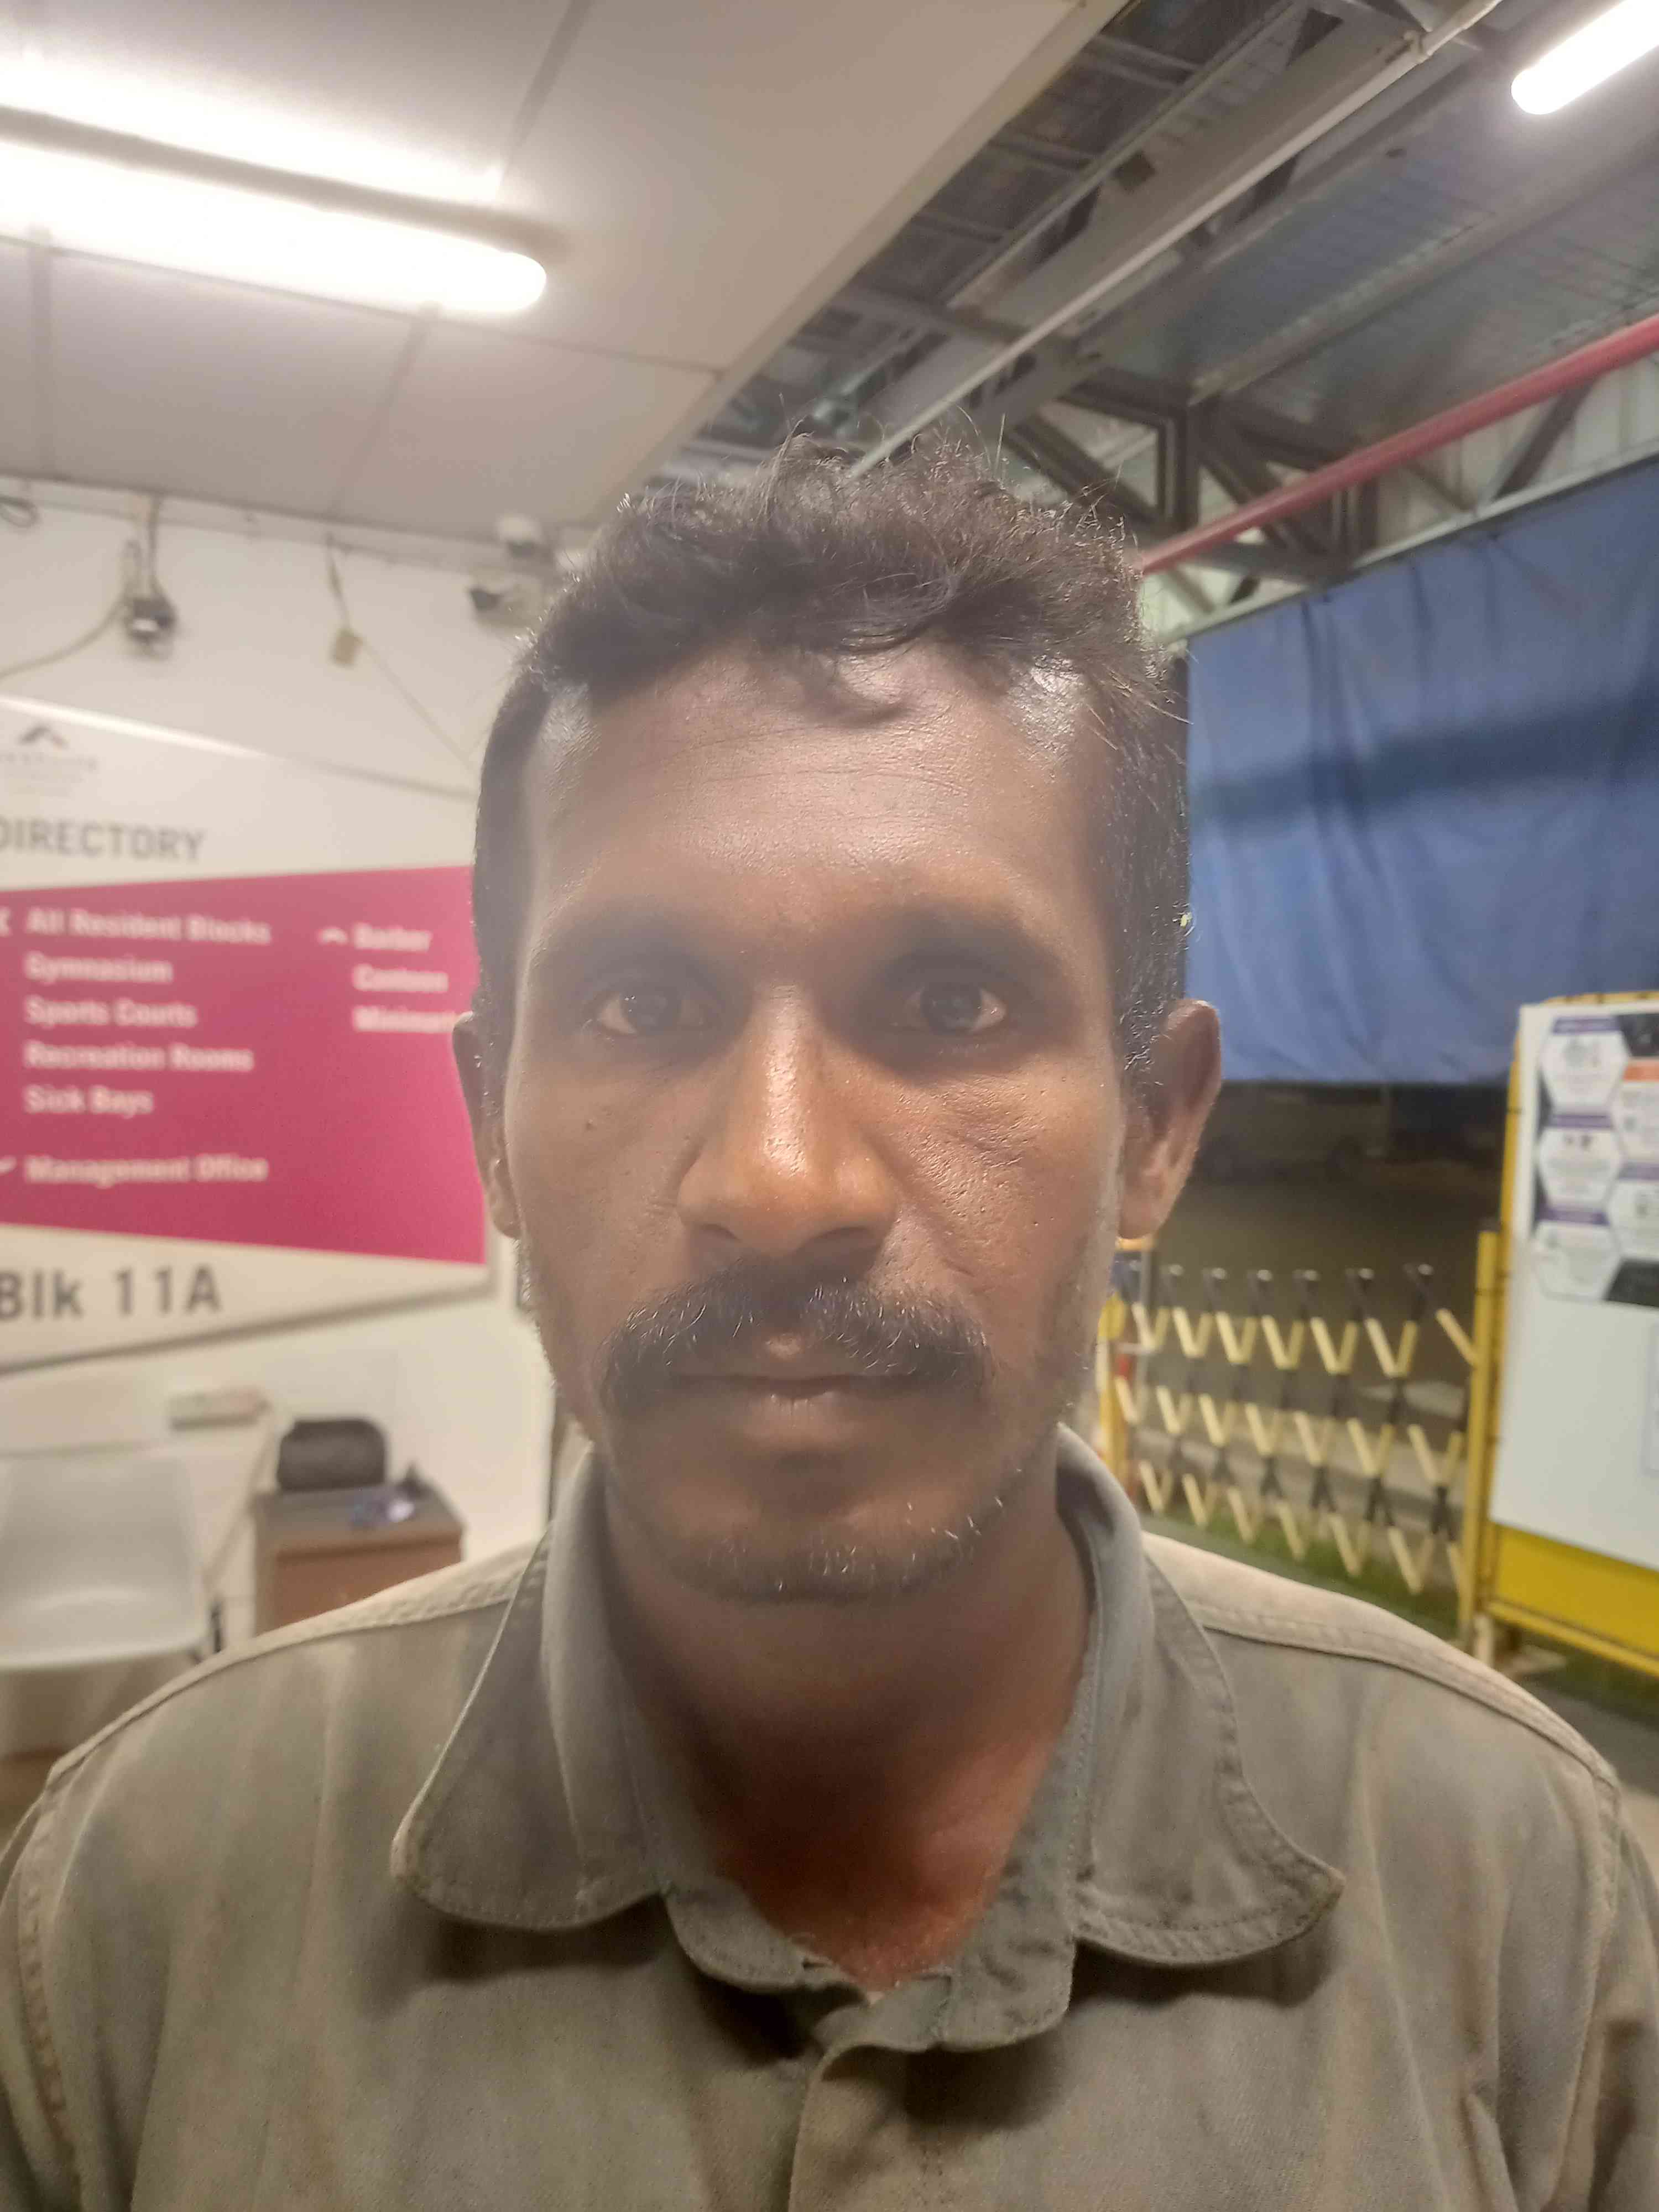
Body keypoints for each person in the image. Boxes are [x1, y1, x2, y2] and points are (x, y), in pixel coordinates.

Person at [2, 442, 1654, 2210]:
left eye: (952, 1000)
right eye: (642, 1003)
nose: (780, 1181)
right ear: (492, 1125)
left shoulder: (1521, 1894)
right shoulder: (135, 1902)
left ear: (1156, 1131)